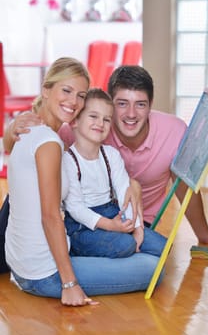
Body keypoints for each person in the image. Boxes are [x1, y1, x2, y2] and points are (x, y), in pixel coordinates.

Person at [3, 66, 208, 244]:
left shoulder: (174, 131)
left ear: (150, 105)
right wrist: (13, 128)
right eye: (122, 104)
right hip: (86, 220)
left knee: (155, 252)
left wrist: (204, 234)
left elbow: (185, 184)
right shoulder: (90, 128)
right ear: (110, 105)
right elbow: (34, 147)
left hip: (134, 220)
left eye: (140, 104)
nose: (131, 114)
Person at [4, 58, 164, 307]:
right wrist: (70, 285)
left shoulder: (29, 131)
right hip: (43, 273)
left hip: (23, 262)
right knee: (154, 268)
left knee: (154, 250)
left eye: (80, 95)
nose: (73, 102)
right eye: (66, 91)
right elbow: (50, 217)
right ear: (46, 89)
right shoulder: (49, 143)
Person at [63, 87, 167, 258]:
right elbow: (76, 209)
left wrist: (138, 227)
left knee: (162, 246)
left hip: (112, 213)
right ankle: (81, 251)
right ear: (75, 121)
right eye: (93, 116)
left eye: (106, 119)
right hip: (82, 226)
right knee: (125, 244)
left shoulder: (111, 154)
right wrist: (112, 226)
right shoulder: (68, 160)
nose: (100, 123)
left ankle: (126, 255)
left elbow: (125, 192)